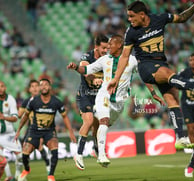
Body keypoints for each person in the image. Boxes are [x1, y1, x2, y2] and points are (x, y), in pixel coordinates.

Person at [107, 0, 194, 149]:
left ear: (142, 15)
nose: (129, 20)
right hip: (145, 66)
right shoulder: (131, 32)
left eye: (132, 16)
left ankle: (180, 137)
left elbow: (182, 18)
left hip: (161, 62)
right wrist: (115, 79)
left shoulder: (160, 19)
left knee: (172, 100)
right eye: (128, 17)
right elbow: (124, 57)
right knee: (168, 73)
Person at [67, 34, 163, 167]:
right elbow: (86, 69)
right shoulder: (104, 59)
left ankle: (97, 148)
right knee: (99, 121)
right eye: (106, 46)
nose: (108, 48)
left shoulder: (132, 60)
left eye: (110, 44)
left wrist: (153, 93)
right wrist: (76, 67)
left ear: (119, 45)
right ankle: (96, 154)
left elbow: (144, 76)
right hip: (100, 95)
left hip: (119, 102)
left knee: (102, 126)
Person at [15, 78, 76, 181]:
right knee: (25, 155)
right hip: (34, 131)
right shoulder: (34, 101)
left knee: (55, 151)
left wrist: (70, 132)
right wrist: (19, 130)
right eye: (41, 85)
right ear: (40, 88)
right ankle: (27, 169)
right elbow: (25, 116)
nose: (43, 86)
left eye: (46, 84)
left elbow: (65, 116)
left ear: (50, 87)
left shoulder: (56, 101)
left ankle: (51, 175)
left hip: (49, 131)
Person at [73, 34, 109, 171]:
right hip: (85, 95)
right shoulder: (86, 57)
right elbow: (84, 70)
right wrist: (93, 79)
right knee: (88, 121)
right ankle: (79, 154)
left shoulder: (108, 59)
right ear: (96, 47)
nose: (106, 51)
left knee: (98, 126)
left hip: (99, 96)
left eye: (108, 48)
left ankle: (96, 149)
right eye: (103, 48)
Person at [18, 79, 50, 173]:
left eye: (36, 86)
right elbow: (19, 115)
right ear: (29, 89)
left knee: (39, 145)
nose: (35, 88)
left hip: (42, 127)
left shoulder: (44, 99)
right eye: (32, 86)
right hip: (31, 128)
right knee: (25, 150)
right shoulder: (27, 101)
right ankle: (26, 169)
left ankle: (48, 166)